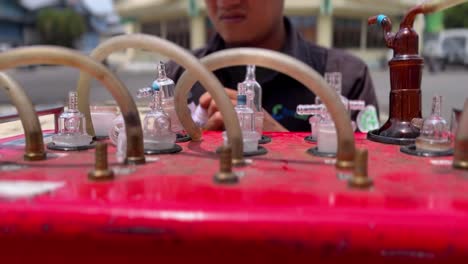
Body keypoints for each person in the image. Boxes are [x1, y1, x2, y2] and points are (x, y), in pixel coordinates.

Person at [166, 0, 379, 131]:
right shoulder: (178, 76)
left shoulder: (347, 77)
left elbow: (366, 180)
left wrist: (278, 141)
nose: (227, 2)